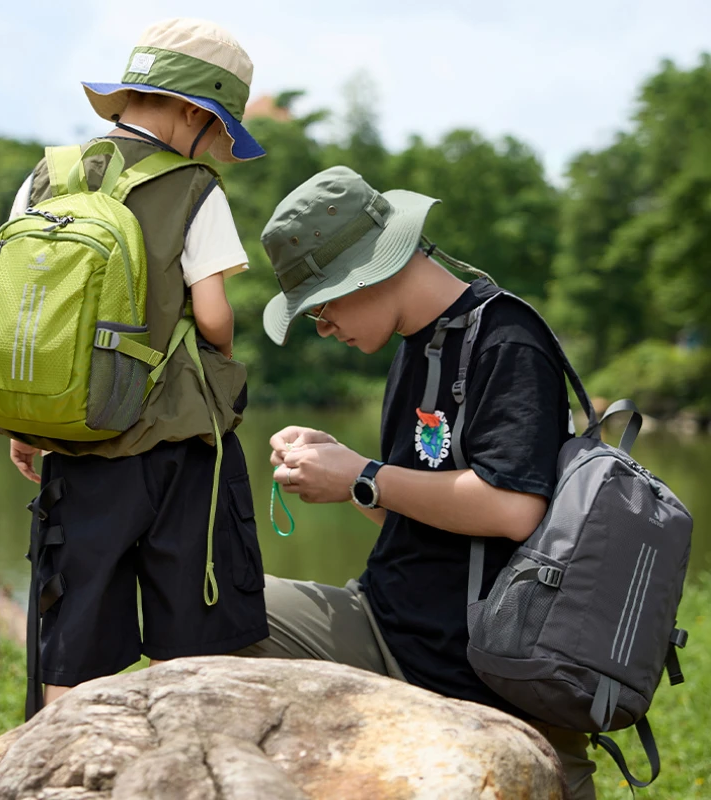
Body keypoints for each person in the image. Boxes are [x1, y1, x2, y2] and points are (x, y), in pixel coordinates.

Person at [235, 165, 597, 799]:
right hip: (391, 623)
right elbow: (421, 510)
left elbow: (512, 509)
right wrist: (349, 476)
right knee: (209, 602)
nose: (324, 328)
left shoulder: (507, 339)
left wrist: (363, 475)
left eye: (324, 305)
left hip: (472, 661)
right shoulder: (415, 345)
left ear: (373, 268)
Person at [6, 18, 269, 710]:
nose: (214, 146)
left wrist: (27, 419)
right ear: (193, 112)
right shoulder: (193, 189)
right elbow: (212, 315)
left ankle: (57, 751)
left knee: (75, 619)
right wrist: (223, 350)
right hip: (171, 443)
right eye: (216, 130)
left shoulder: (48, 175)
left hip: (74, 430)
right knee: (193, 627)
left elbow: (21, 312)